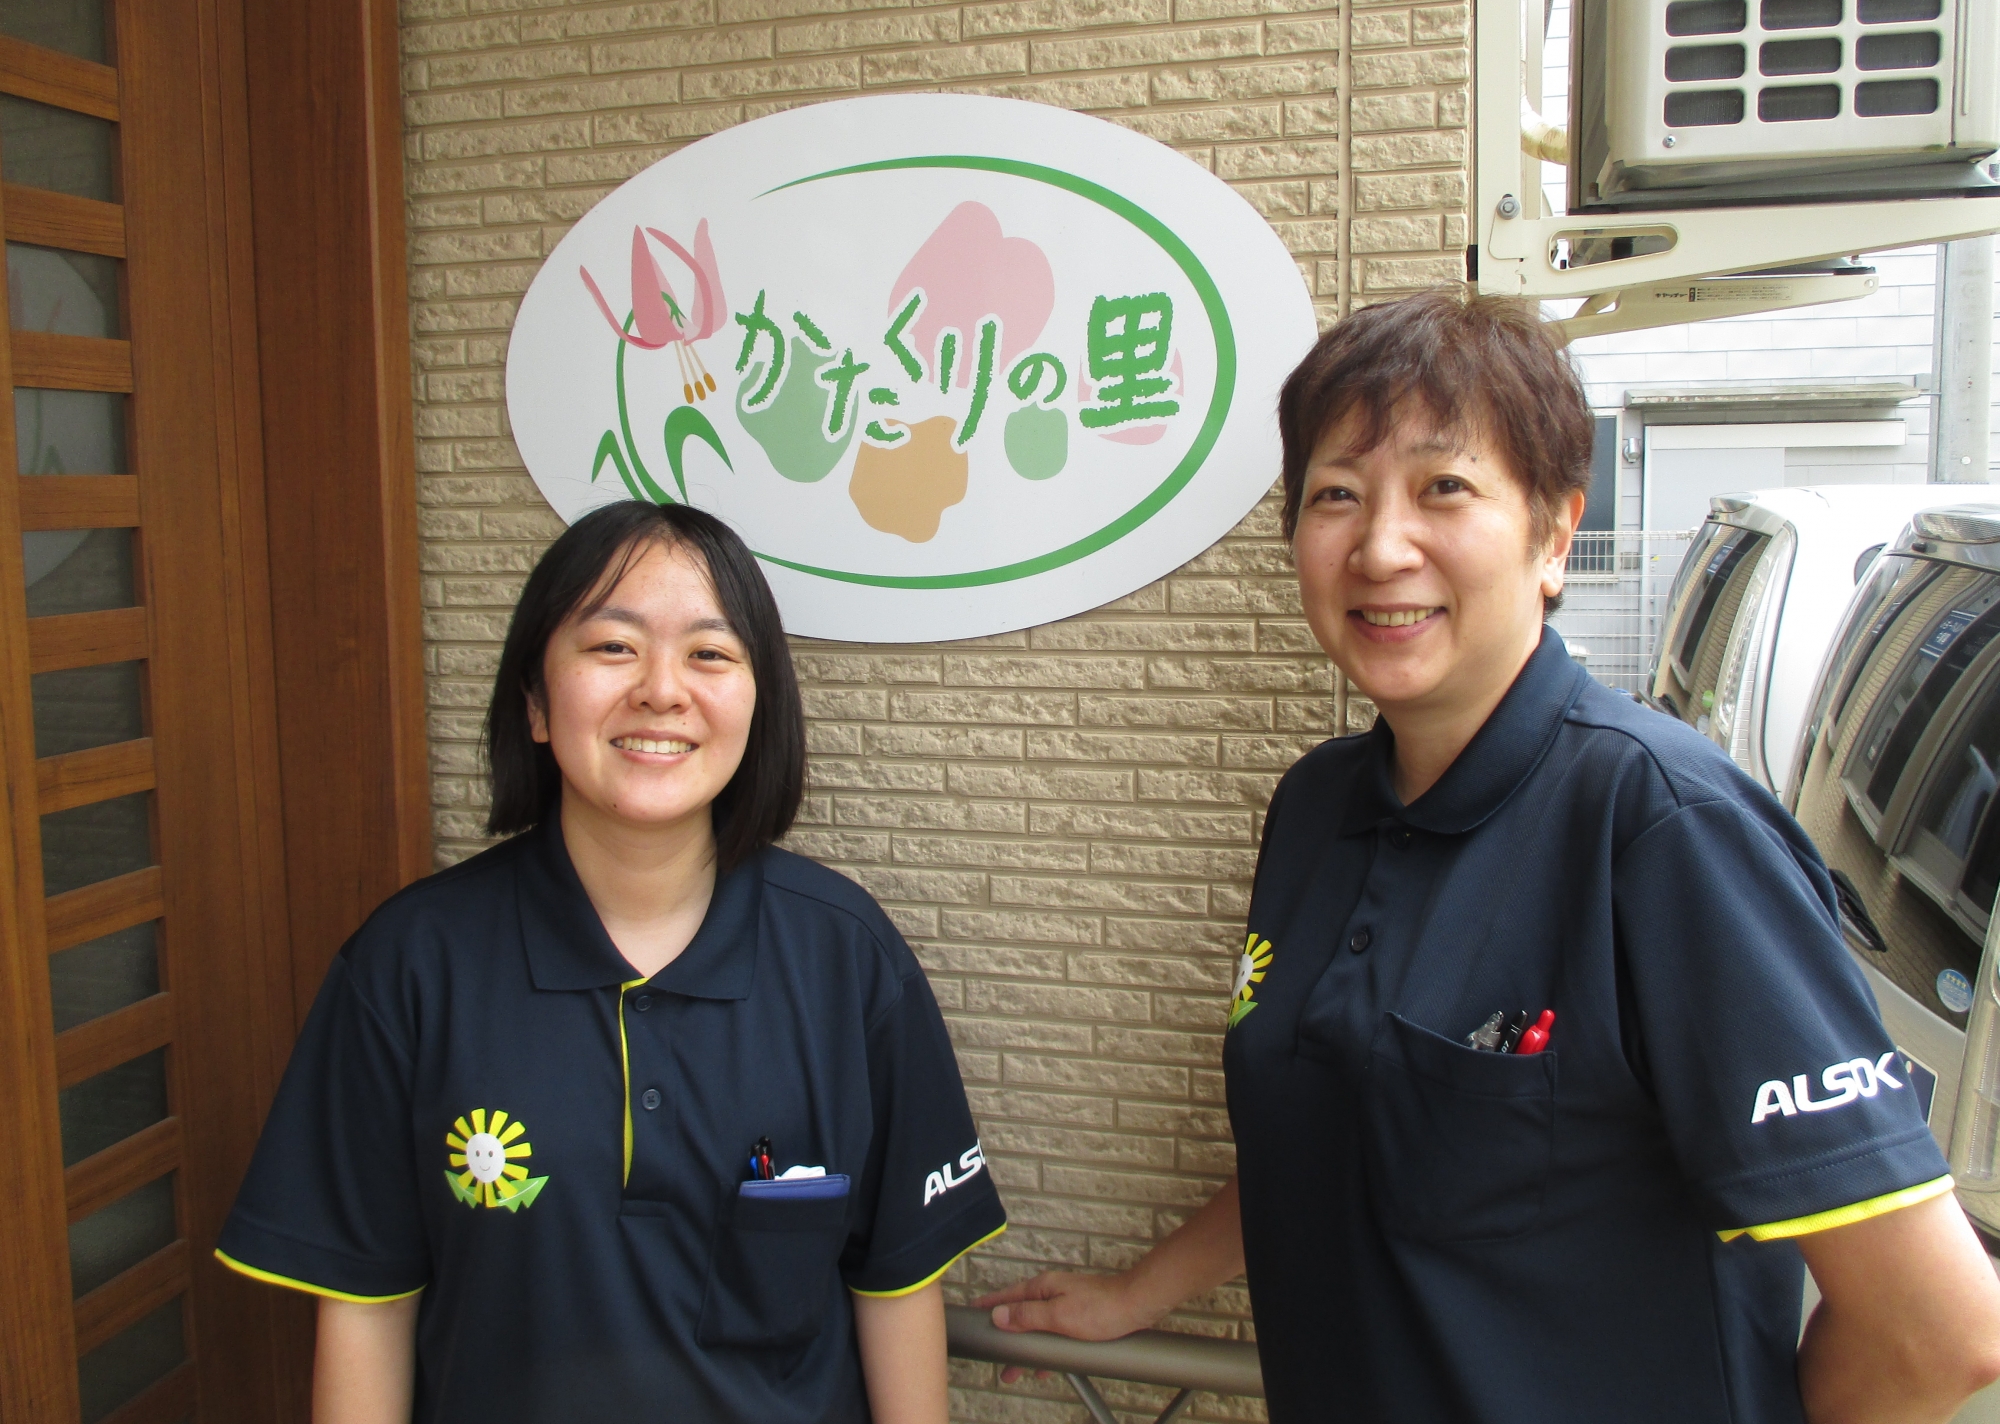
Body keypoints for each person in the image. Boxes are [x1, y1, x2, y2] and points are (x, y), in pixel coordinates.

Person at [979, 292, 2000, 1424]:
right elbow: (1340, 1133)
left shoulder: (1663, 830)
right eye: (1335, 494)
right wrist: (1137, 1294)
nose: (1380, 547)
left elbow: (1937, 1332)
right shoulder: (1316, 808)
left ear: (1554, 535)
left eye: (1444, 488)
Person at [216, 501, 1005, 1423]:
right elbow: (366, 1308)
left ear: (760, 704)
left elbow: (896, 1284)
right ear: (536, 703)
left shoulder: (848, 959)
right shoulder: (408, 968)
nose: (662, 690)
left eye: (710, 654)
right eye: (613, 647)